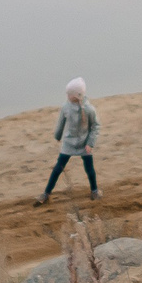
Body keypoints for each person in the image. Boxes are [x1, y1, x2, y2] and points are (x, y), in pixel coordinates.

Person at [36, 77, 102, 206]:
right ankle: (46, 193)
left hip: (84, 144)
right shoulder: (66, 108)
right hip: (68, 143)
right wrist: (57, 136)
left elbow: (95, 126)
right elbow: (61, 123)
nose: (67, 96)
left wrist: (90, 143)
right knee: (58, 168)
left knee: (89, 169)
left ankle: (94, 190)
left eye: (69, 94)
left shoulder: (89, 109)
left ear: (76, 95)